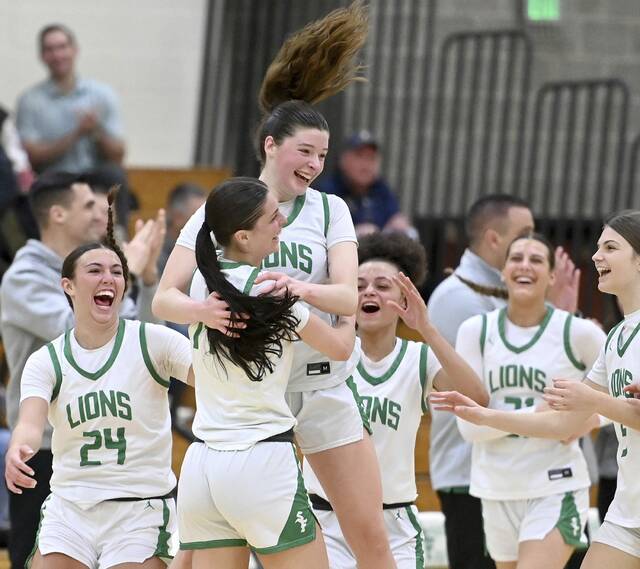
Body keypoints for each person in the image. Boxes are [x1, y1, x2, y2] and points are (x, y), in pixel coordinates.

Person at [153, 4, 398, 568]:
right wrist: (205, 312)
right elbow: (166, 298)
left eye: (322, 155)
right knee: (215, 553)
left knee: (372, 542)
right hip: (249, 401)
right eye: (304, 151)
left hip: (319, 387)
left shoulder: (330, 209)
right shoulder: (225, 207)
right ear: (270, 145)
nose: (314, 164)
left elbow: (349, 300)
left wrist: (299, 289)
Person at [431, 210, 640, 569]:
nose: (595, 256)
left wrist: (595, 402)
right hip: (627, 509)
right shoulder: (617, 337)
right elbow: (564, 425)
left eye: (610, 247)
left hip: (558, 488)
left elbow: (599, 408)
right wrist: (483, 415)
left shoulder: (590, 335)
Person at [175, 177, 355, 569]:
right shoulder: (275, 293)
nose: (283, 225)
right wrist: (348, 309)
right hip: (260, 458)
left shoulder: (200, 281)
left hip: (202, 465)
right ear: (242, 236)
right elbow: (341, 348)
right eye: (274, 218)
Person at [5, 191, 193, 568]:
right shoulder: (47, 360)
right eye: (94, 271)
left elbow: (220, 381)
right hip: (70, 506)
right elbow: (29, 423)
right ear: (68, 287)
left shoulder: (154, 341)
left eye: (118, 272)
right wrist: (18, 450)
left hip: (138, 509)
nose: (109, 278)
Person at [303, 232, 489, 569]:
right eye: (358, 286)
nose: (369, 292)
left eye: (382, 286)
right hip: (325, 520)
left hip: (394, 522)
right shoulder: (327, 350)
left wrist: (426, 327)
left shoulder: (419, 358)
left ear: (404, 297)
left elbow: (477, 398)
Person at [426, 194, 582, 569]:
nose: (531, 244)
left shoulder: (511, 300)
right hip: (471, 472)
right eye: (523, 236)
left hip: (527, 470)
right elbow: (485, 395)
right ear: (496, 240)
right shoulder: (460, 300)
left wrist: (562, 317)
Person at [451, 233, 605, 568]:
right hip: (495, 486)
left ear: (551, 276)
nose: (525, 265)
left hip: (555, 484)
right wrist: (538, 415)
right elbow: (469, 428)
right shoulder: (475, 331)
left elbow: (621, 393)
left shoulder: (578, 333)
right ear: (502, 271)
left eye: (536, 259)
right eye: (516, 258)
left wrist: (587, 420)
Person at [16, 24, 125, 175]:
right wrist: (75, 134)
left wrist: (96, 131)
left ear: (75, 50)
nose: (57, 55)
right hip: (52, 179)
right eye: (50, 49)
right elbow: (30, 157)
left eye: (62, 47)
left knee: (115, 175)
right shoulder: (29, 101)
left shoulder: (102, 94)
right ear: (42, 56)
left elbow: (118, 155)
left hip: (94, 176)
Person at [316, 131, 414, 238]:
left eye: (371, 158)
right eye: (359, 156)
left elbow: (395, 217)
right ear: (343, 160)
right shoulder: (326, 192)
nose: (366, 165)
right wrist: (354, 232)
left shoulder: (381, 189)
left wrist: (398, 223)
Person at [157, 183, 206, 275]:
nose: (206, 221)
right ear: (177, 217)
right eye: (199, 216)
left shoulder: (212, 245)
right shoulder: (157, 251)